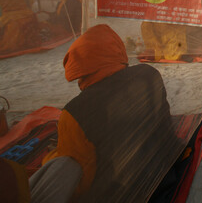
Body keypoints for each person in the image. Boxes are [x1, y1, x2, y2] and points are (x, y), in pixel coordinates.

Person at [29, 24, 179, 202]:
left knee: (60, 165)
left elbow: (79, 181)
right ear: (117, 51)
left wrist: (51, 159)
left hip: (121, 195)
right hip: (168, 172)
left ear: (80, 69)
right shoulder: (149, 74)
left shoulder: (75, 113)